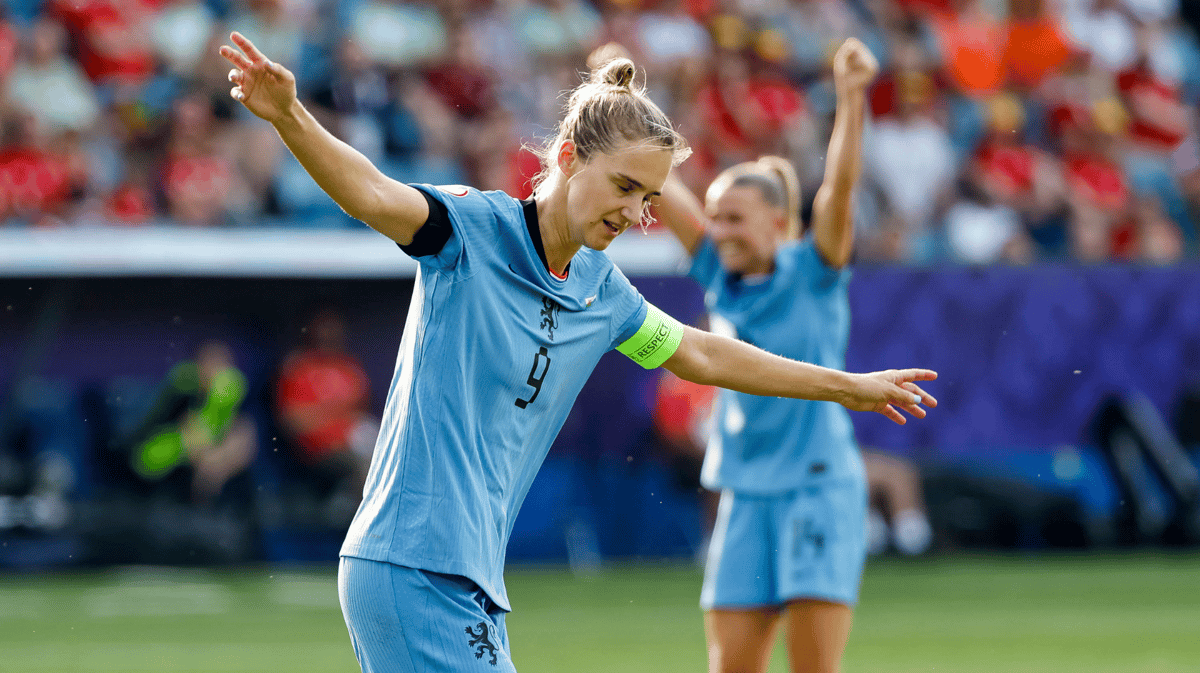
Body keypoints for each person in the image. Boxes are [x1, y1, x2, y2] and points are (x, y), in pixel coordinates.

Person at [219, 32, 935, 673]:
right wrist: (289, 114)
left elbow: (704, 355)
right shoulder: (471, 230)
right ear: (567, 156)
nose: (633, 213)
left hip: (459, 570)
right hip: (412, 560)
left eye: (649, 197)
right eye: (625, 186)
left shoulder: (602, 289)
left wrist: (845, 386)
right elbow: (372, 192)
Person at [653, 38, 881, 673]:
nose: (719, 230)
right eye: (716, 218)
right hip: (745, 491)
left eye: (736, 219)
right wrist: (615, 92)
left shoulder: (814, 269)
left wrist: (850, 95)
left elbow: (839, 186)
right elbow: (659, 181)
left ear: (781, 225)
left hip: (817, 486)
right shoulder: (717, 275)